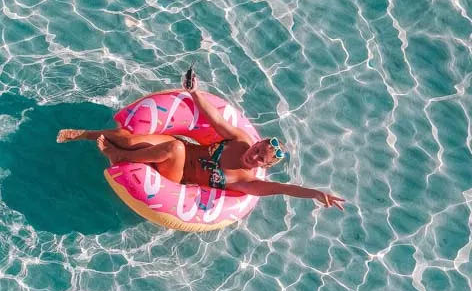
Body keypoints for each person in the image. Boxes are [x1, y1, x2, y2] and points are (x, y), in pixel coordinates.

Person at [57, 79, 346, 211]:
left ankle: (118, 154)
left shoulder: (247, 183)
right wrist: (194, 93)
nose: (254, 155)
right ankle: (84, 134)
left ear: (264, 166)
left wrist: (315, 193)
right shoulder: (238, 140)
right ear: (256, 142)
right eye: (258, 149)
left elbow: (284, 189)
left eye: (261, 159)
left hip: (175, 175)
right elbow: (216, 119)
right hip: (174, 145)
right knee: (134, 137)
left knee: (175, 149)